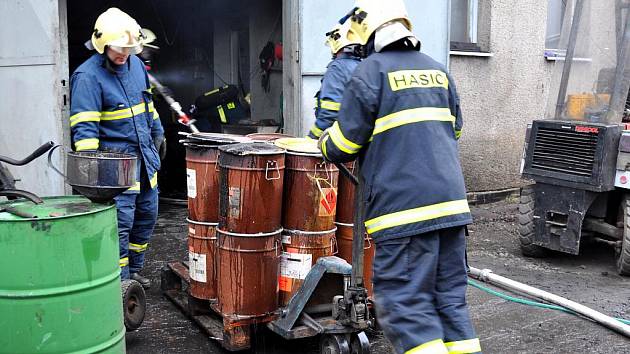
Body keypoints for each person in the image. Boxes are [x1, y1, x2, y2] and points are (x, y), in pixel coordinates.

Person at [318, 0, 480, 353]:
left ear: (368, 35)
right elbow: (454, 132)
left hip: (405, 216)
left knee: (406, 307)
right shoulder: (439, 72)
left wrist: (323, 141)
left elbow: (344, 143)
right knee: (449, 305)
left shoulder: (370, 72)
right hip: (452, 212)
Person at [69, 8, 165, 289]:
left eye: (128, 48)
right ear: (102, 44)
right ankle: (119, 282)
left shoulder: (135, 65)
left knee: (147, 217)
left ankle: (134, 271)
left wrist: (158, 134)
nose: (124, 54)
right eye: (118, 49)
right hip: (115, 168)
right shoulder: (87, 77)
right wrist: (93, 174)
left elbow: (148, 106)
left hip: (145, 160)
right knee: (120, 225)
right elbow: (84, 131)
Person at [307, 20, 362, 139]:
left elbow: (330, 112)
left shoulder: (337, 68)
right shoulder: (363, 66)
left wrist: (311, 138)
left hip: (339, 139)